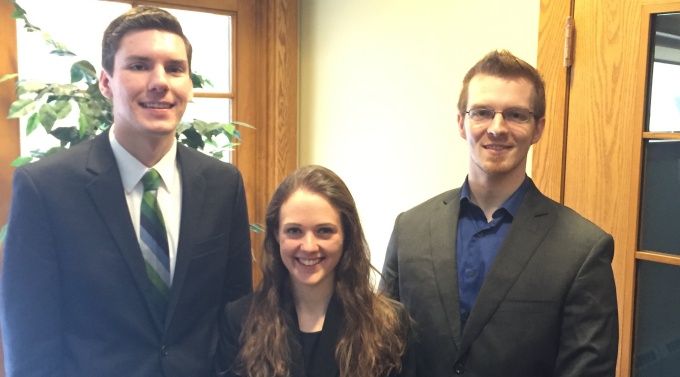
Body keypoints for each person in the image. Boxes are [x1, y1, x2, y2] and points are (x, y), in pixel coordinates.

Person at [0, 6, 252, 377]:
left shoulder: (222, 183)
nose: (160, 81)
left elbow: (236, 313)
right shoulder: (46, 189)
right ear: (106, 83)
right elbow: (30, 339)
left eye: (175, 68)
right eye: (138, 65)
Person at [380, 50, 619, 377]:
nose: (497, 128)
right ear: (462, 123)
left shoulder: (582, 250)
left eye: (516, 115)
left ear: (538, 128)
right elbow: (382, 351)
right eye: (482, 112)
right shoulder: (410, 230)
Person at [216, 165, 415, 377]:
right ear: (276, 234)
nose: (309, 246)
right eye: (294, 231)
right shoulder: (239, 321)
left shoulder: (389, 324)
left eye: (324, 231)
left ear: (346, 234)